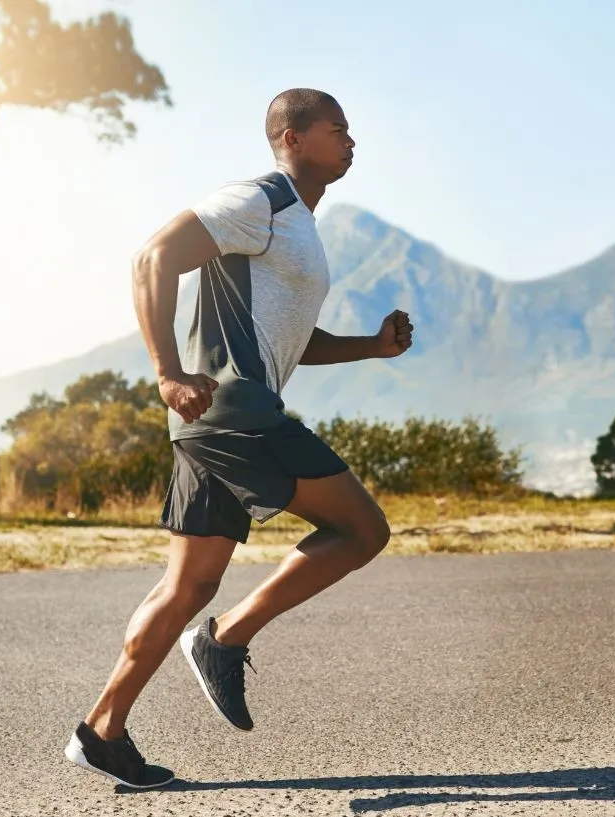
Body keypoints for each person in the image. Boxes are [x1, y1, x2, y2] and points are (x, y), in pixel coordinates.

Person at [63, 88, 414, 789]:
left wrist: (369, 347)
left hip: (211, 423)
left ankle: (103, 731)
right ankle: (225, 640)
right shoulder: (262, 199)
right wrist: (166, 371)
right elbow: (152, 258)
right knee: (362, 528)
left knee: (187, 583)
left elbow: (291, 339)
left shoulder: (296, 225)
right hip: (238, 413)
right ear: (292, 136)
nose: (352, 142)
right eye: (337, 129)